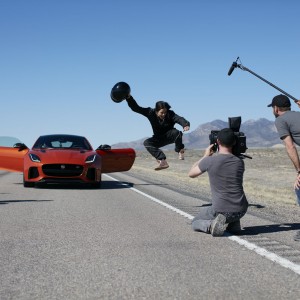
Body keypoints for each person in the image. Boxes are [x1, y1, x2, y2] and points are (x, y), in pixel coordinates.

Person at [188, 128, 248, 236]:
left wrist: (205, 156)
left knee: (195, 222)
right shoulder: (239, 162)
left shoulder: (210, 161)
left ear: (218, 142)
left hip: (221, 210)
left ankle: (211, 226)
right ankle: (234, 224)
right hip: (241, 210)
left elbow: (191, 173)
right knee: (231, 204)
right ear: (234, 142)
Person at [125, 94, 190, 170]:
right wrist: (129, 98)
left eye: (165, 112)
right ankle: (162, 161)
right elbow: (136, 108)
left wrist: (185, 124)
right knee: (147, 143)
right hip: (158, 138)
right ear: (156, 111)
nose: (164, 114)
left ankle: (180, 150)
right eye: (162, 112)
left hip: (170, 135)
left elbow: (179, 119)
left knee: (178, 133)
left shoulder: (170, 113)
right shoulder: (150, 112)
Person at [267, 94, 300, 241]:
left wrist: (299, 171)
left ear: (276, 108)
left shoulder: (280, 120)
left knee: (299, 187)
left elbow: (290, 146)